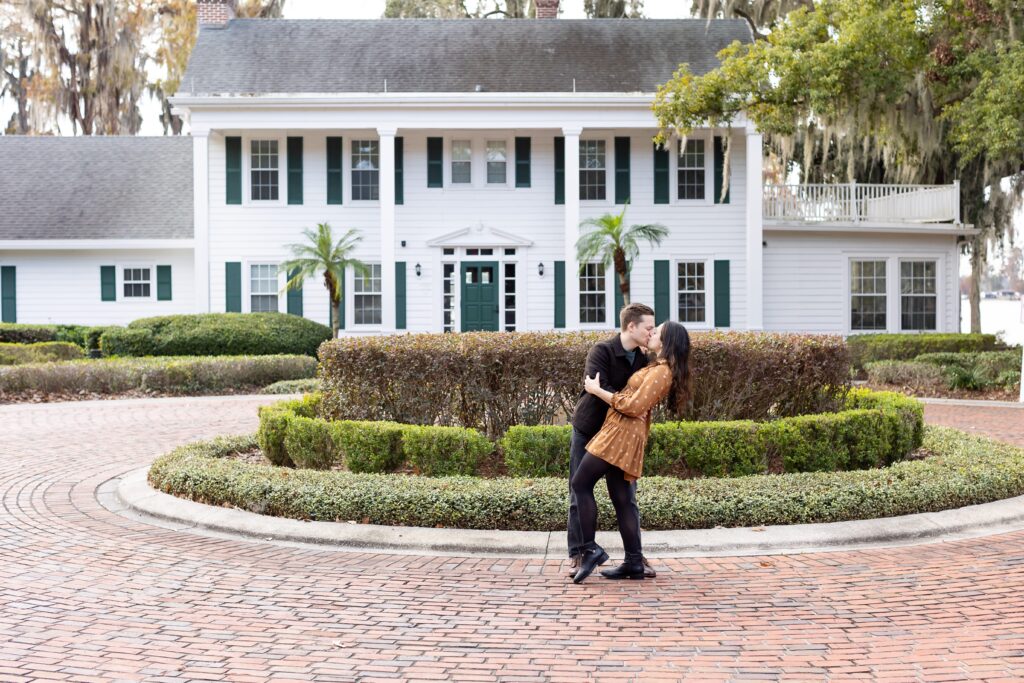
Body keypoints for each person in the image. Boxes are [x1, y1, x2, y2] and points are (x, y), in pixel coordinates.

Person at [570, 320, 692, 584]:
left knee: (580, 483)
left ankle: (590, 550)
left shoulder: (662, 372)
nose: (652, 333)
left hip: (621, 433)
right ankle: (634, 562)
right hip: (621, 430)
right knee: (621, 496)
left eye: (656, 331)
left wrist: (597, 391)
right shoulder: (656, 366)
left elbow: (635, 405)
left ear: (667, 341)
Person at [567, 303, 657, 579]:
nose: (652, 333)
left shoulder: (645, 359)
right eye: (648, 328)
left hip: (620, 437)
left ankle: (635, 557)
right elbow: (598, 388)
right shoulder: (602, 351)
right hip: (589, 429)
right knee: (579, 490)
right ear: (631, 326)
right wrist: (628, 401)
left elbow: (645, 393)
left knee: (625, 498)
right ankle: (580, 552)